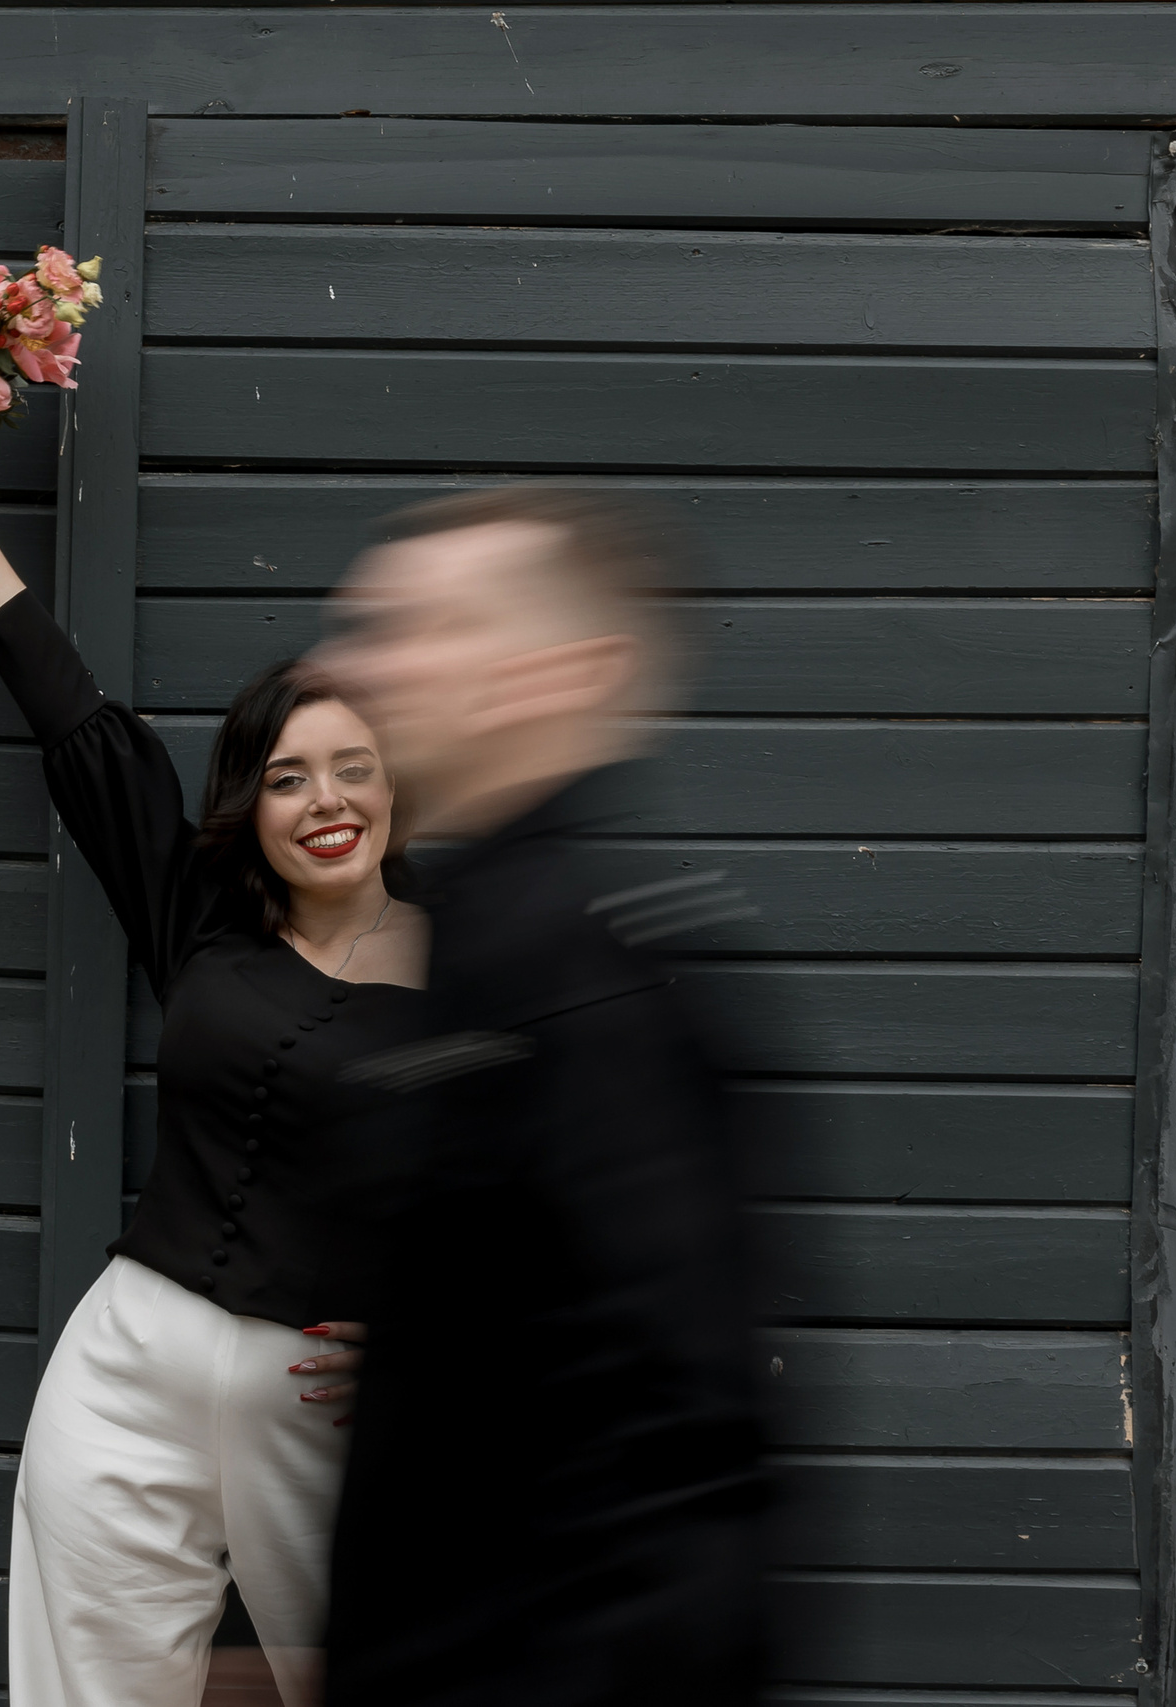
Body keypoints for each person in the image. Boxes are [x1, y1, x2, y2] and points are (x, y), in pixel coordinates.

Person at [0, 435, 432, 1707]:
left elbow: (552, 1194)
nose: (326, 802)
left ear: (396, 785)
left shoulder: (479, 967)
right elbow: (71, 716)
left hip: (323, 1410)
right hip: (126, 1370)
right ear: (250, 804)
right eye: (288, 778)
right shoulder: (201, 917)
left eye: (353, 769)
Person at [312, 487, 767, 1707]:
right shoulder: (469, 939)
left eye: (417, 628)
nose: (355, 667)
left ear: (561, 673)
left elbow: (677, 1449)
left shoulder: (590, 981)